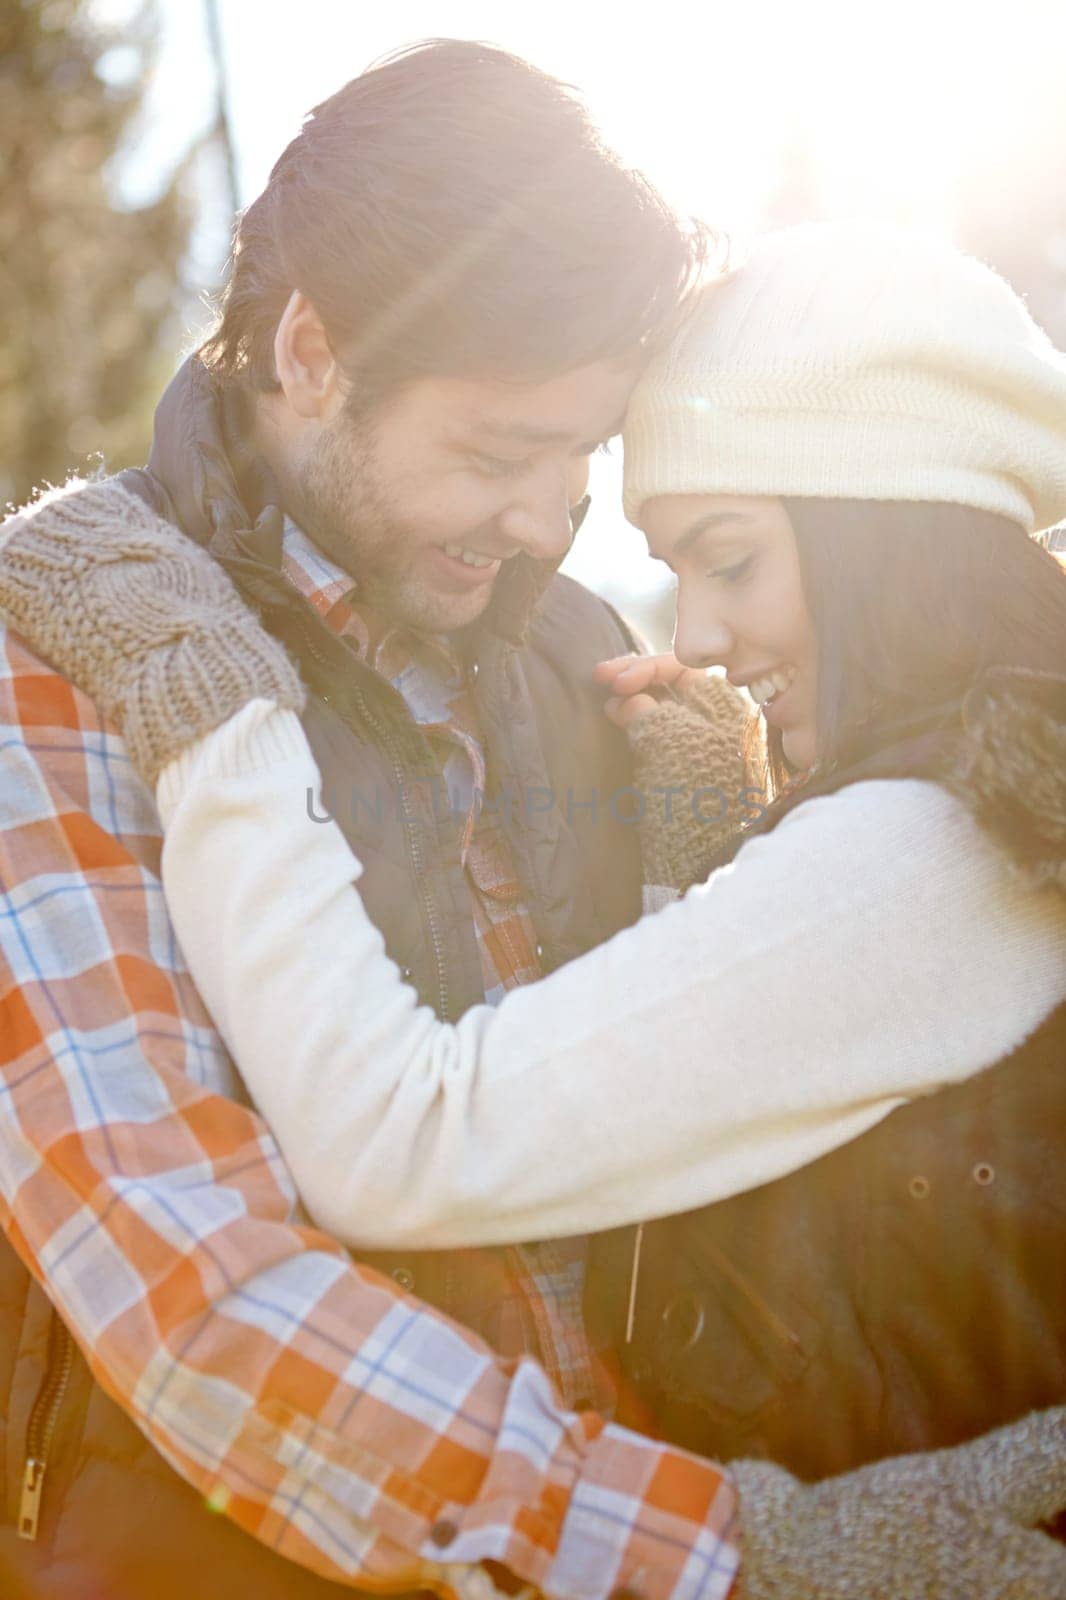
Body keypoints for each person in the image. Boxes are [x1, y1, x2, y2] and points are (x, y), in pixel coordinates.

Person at [3, 222, 1065, 1598]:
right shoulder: (990, 808)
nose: (692, 633)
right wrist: (717, 866)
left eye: (730, 556)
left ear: (887, 536)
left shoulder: (928, 848)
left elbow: (399, 1133)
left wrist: (214, 713)